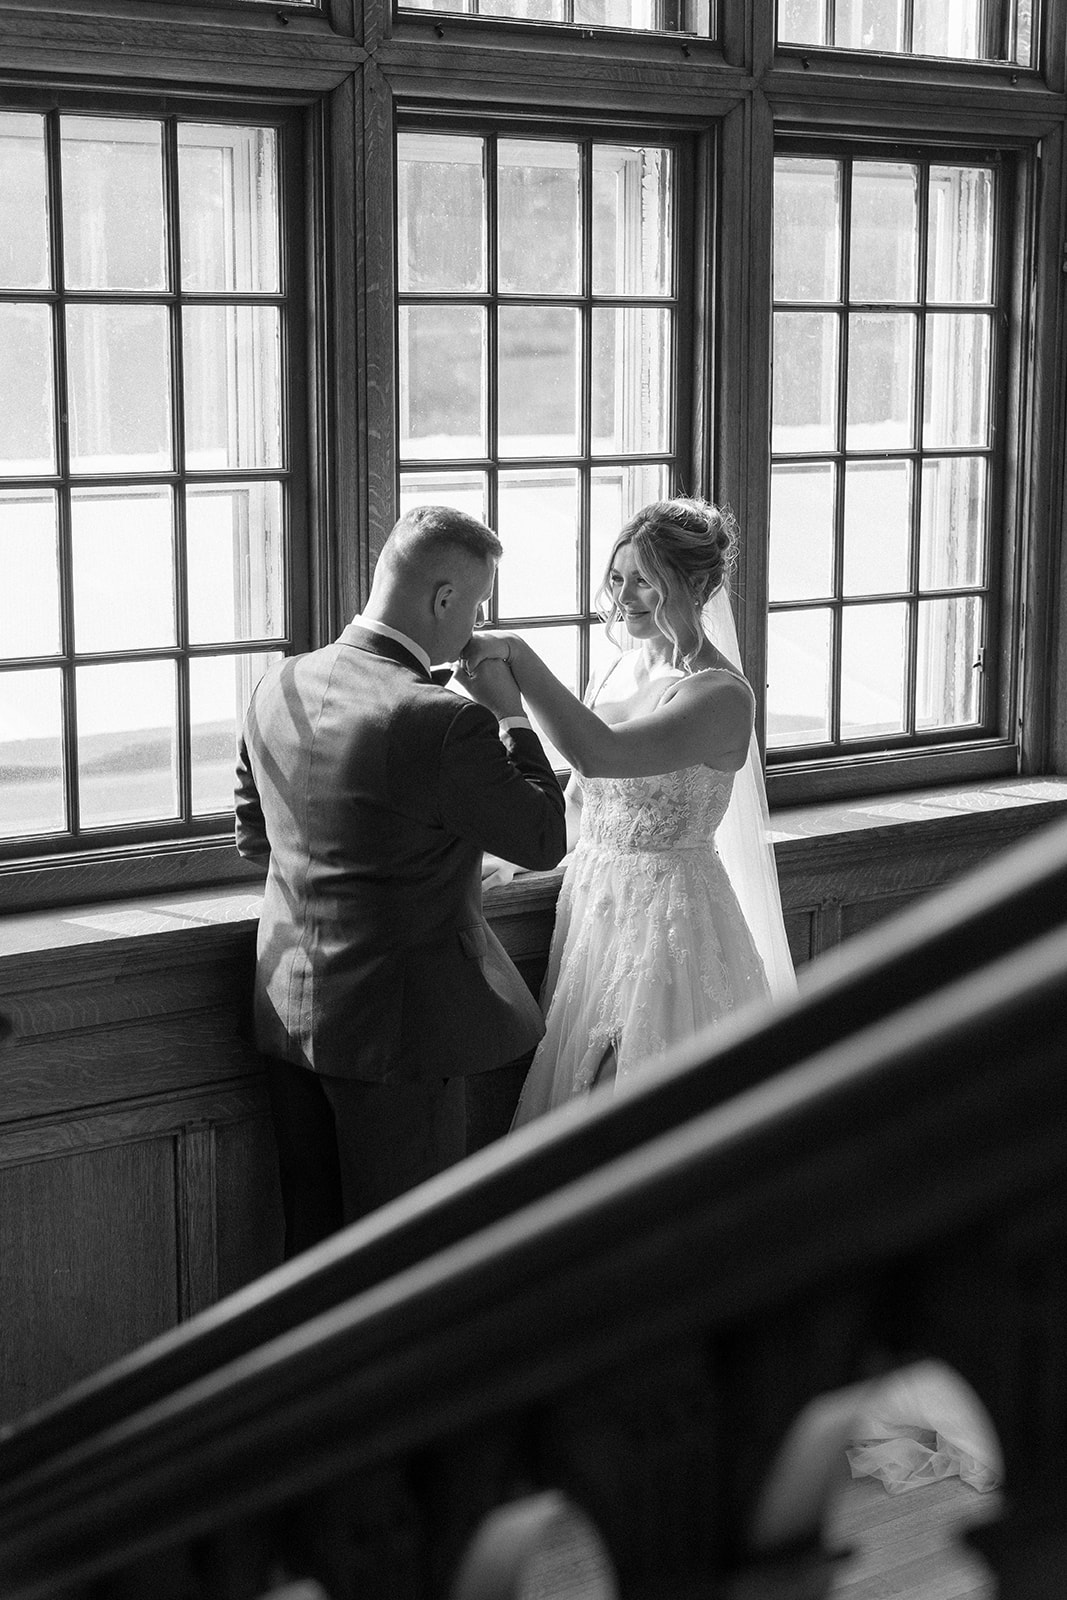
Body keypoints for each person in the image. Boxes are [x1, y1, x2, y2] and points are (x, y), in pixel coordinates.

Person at [235, 505, 567, 1255]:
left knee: (312, 1251)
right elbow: (544, 837)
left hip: (289, 1010)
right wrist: (510, 716)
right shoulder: (443, 721)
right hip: (400, 1033)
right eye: (476, 604)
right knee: (402, 1260)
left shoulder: (278, 683)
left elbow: (257, 838)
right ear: (444, 599)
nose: (477, 622)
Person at [460, 496, 795, 1125]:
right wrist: (505, 861)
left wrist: (521, 663)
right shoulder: (617, 668)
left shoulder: (721, 696)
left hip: (671, 915)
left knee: (628, 1101)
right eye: (618, 578)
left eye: (646, 580)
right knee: (578, 1092)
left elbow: (597, 755)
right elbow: (581, 802)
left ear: (696, 585)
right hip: (594, 905)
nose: (626, 596)